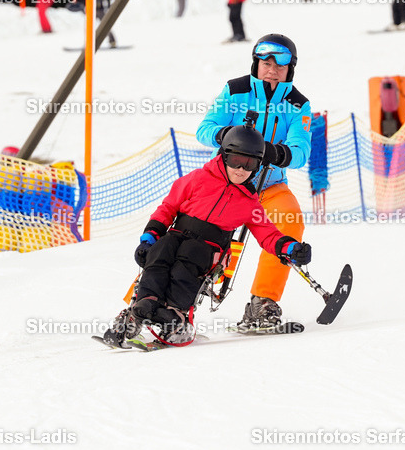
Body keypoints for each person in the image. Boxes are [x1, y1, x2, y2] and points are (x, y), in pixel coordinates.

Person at [104, 125, 312, 347]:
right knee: (159, 255)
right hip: (177, 234)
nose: (241, 169)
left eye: (249, 164)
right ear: (224, 157)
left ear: (258, 166)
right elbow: (168, 208)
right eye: (236, 161)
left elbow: (268, 234)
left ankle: (175, 315)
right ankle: (143, 306)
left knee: (187, 262)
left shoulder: (249, 203)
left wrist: (290, 248)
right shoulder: (197, 179)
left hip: (208, 249)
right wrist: (149, 238)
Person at [196, 33, 313, 329]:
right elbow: (205, 129)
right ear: (256, 63)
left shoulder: (298, 105)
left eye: (280, 64)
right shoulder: (235, 91)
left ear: (290, 69)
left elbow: (301, 150)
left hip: (270, 185)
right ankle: (154, 301)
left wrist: (275, 152)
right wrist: (227, 136)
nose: (272, 69)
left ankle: (262, 304)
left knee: (290, 220)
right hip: (227, 183)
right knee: (192, 231)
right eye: (266, 61)